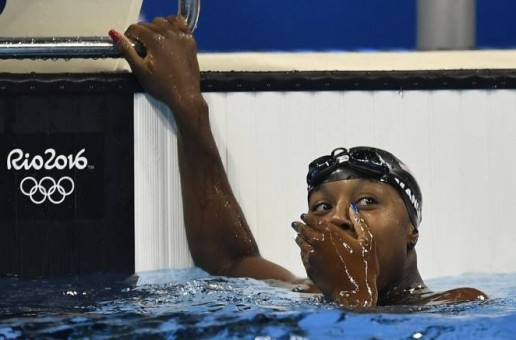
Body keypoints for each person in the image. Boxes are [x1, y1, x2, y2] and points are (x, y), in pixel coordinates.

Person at [108, 16, 488, 307]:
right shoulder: (302, 291)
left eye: (368, 201)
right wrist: (187, 104)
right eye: (321, 206)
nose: (338, 217)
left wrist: (352, 293)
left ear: (412, 232)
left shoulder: (459, 304)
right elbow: (229, 259)